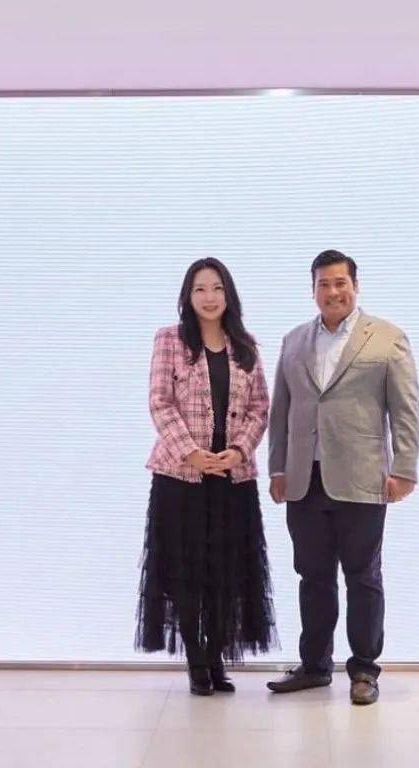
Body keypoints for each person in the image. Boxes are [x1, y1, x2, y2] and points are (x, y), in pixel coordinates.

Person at [266, 249, 419, 706]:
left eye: (340, 283)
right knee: (312, 576)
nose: (332, 292)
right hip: (304, 479)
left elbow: (406, 410)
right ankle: (315, 666)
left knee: (362, 575)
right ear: (312, 289)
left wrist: (404, 468)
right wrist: (277, 468)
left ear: (355, 286)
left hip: (362, 476)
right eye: (323, 284)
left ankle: (364, 670)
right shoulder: (294, 341)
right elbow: (281, 411)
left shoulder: (387, 338)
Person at [135, 258, 278, 695]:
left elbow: (260, 408)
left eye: (217, 288)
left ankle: (216, 658)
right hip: (181, 478)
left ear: (229, 294)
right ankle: (197, 662)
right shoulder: (170, 339)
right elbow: (160, 402)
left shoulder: (246, 345)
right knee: (186, 572)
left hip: (233, 479)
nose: (209, 297)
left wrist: (239, 451)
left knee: (226, 573)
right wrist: (192, 454)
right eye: (200, 289)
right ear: (188, 296)